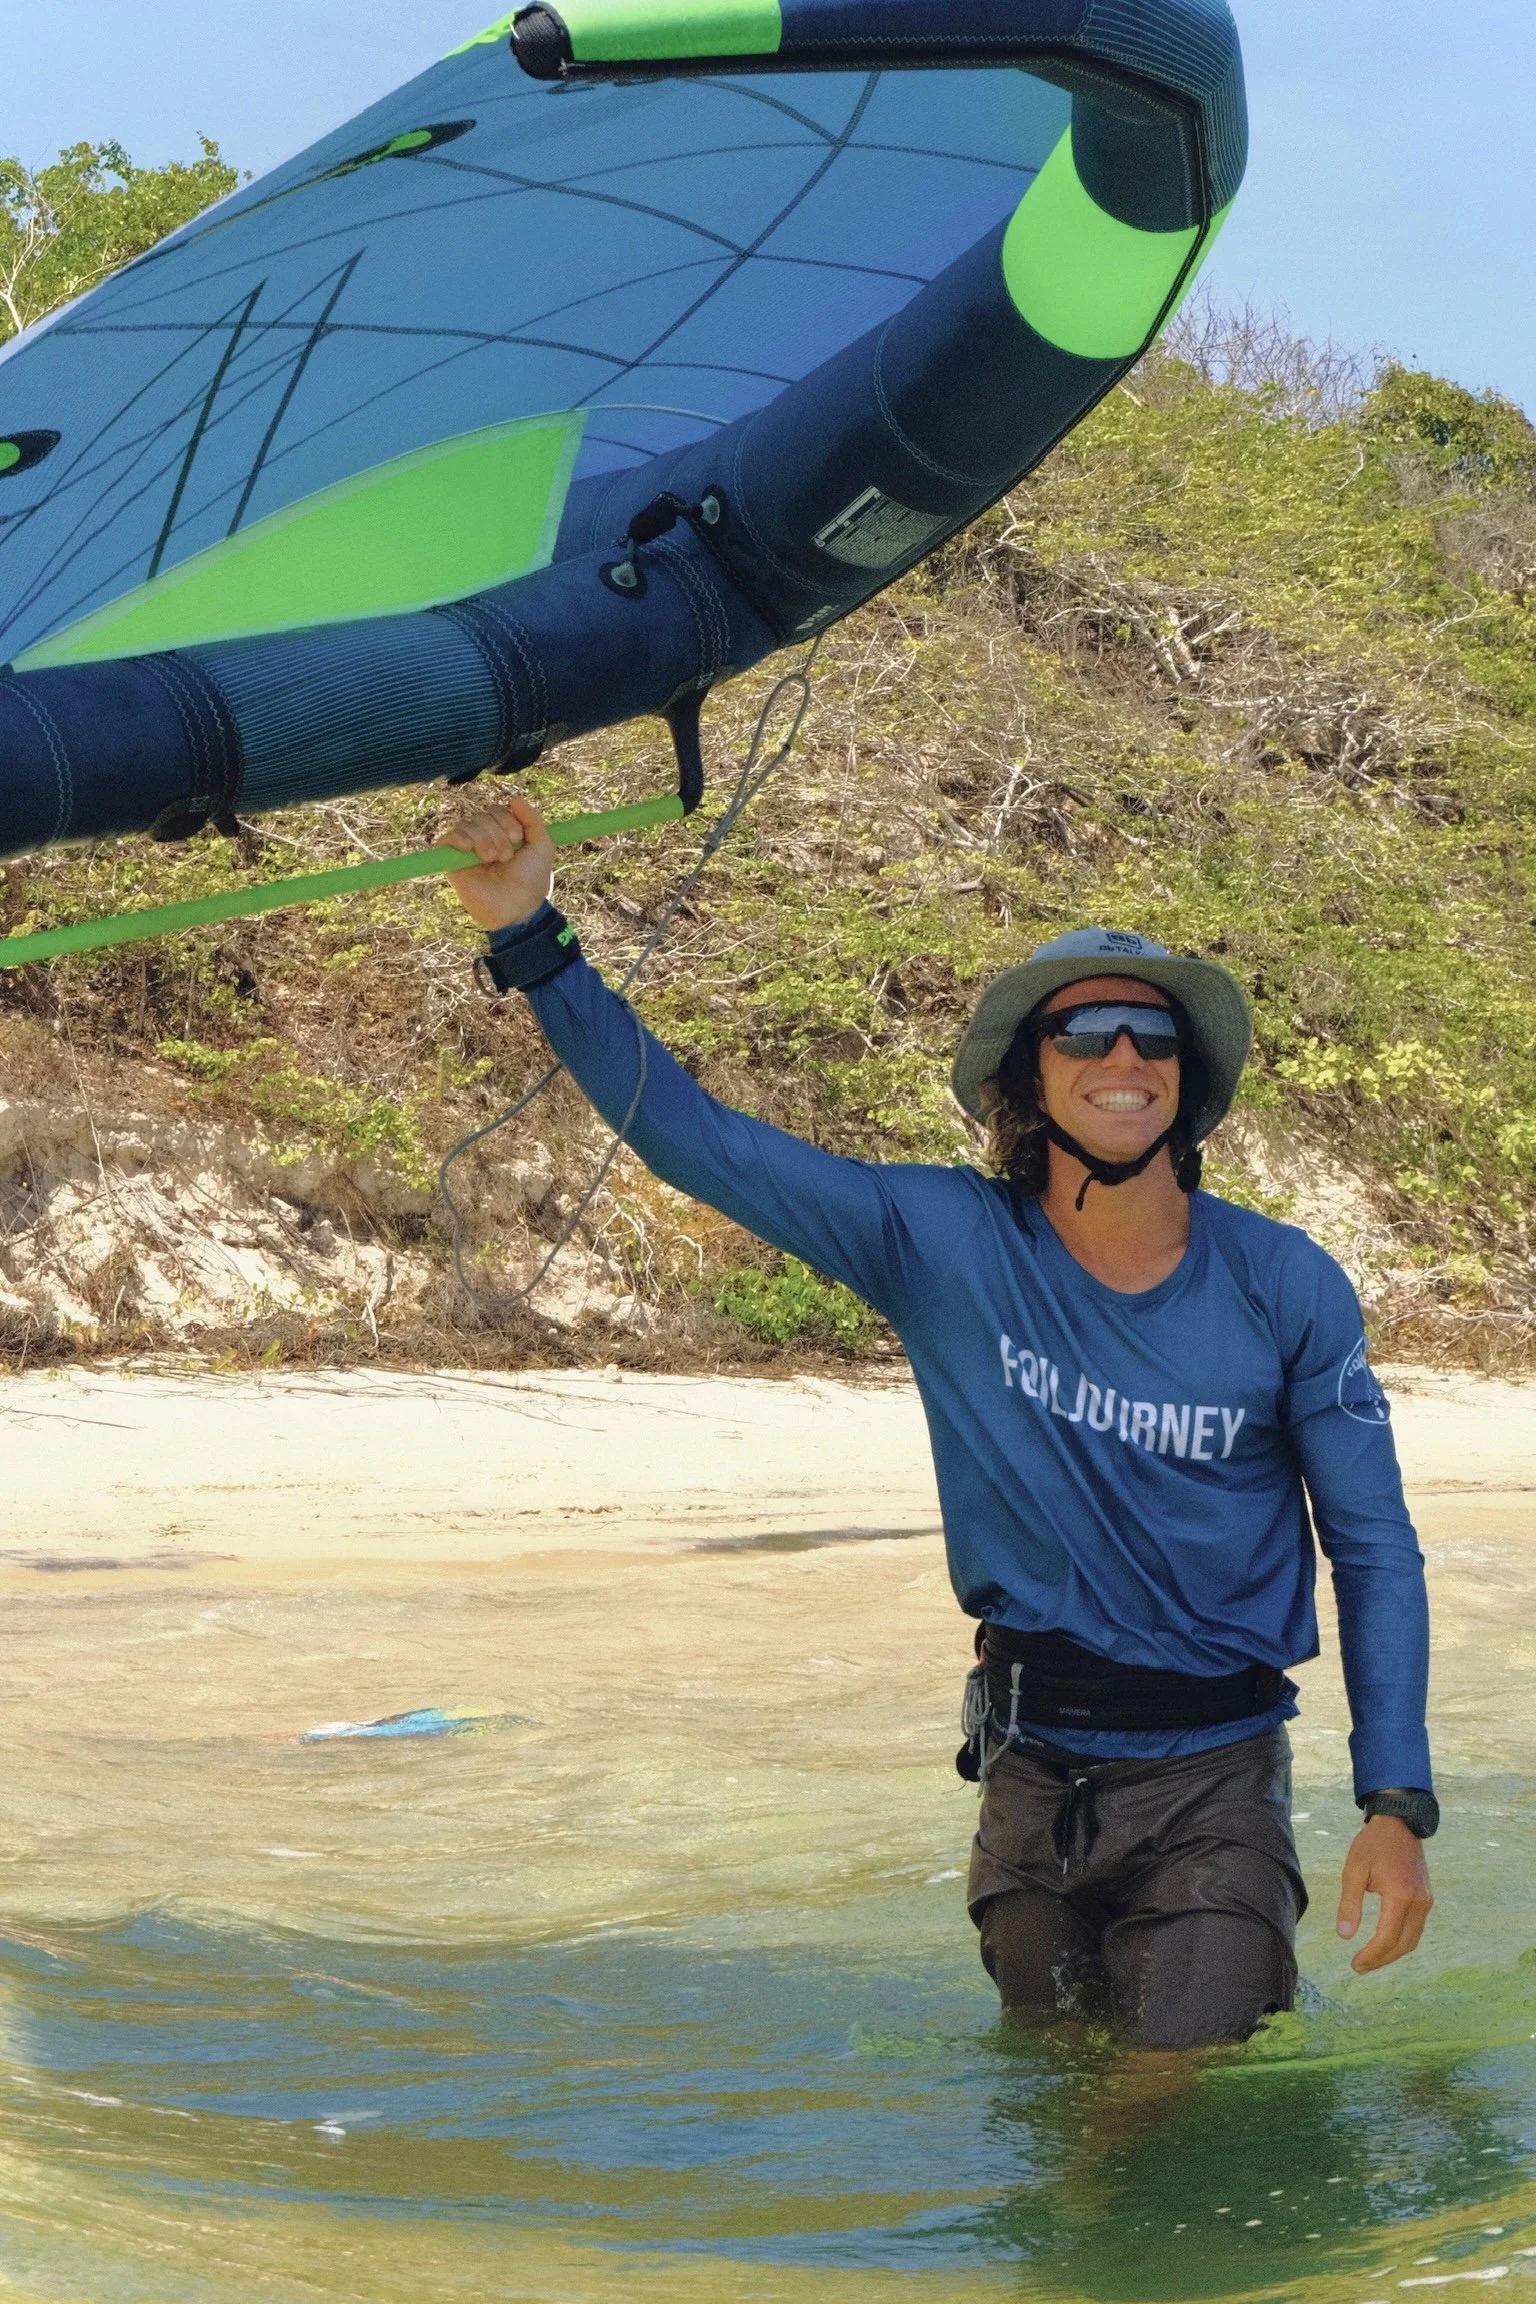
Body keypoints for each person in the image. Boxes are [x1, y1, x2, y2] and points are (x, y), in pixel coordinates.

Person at [441, 795, 1435, 2051]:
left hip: (1215, 1783)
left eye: (1154, 1038)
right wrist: (531, 933)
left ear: (1188, 1079)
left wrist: (1395, 1803)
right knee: (1058, 2096)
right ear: (1032, 1069)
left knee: (1160, 2105)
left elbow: (1375, 1546)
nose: (1123, 1060)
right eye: (1086, 1032)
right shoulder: (940, 1242)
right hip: (1029, 1783)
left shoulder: (1286, 1282)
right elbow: (695, 1140)